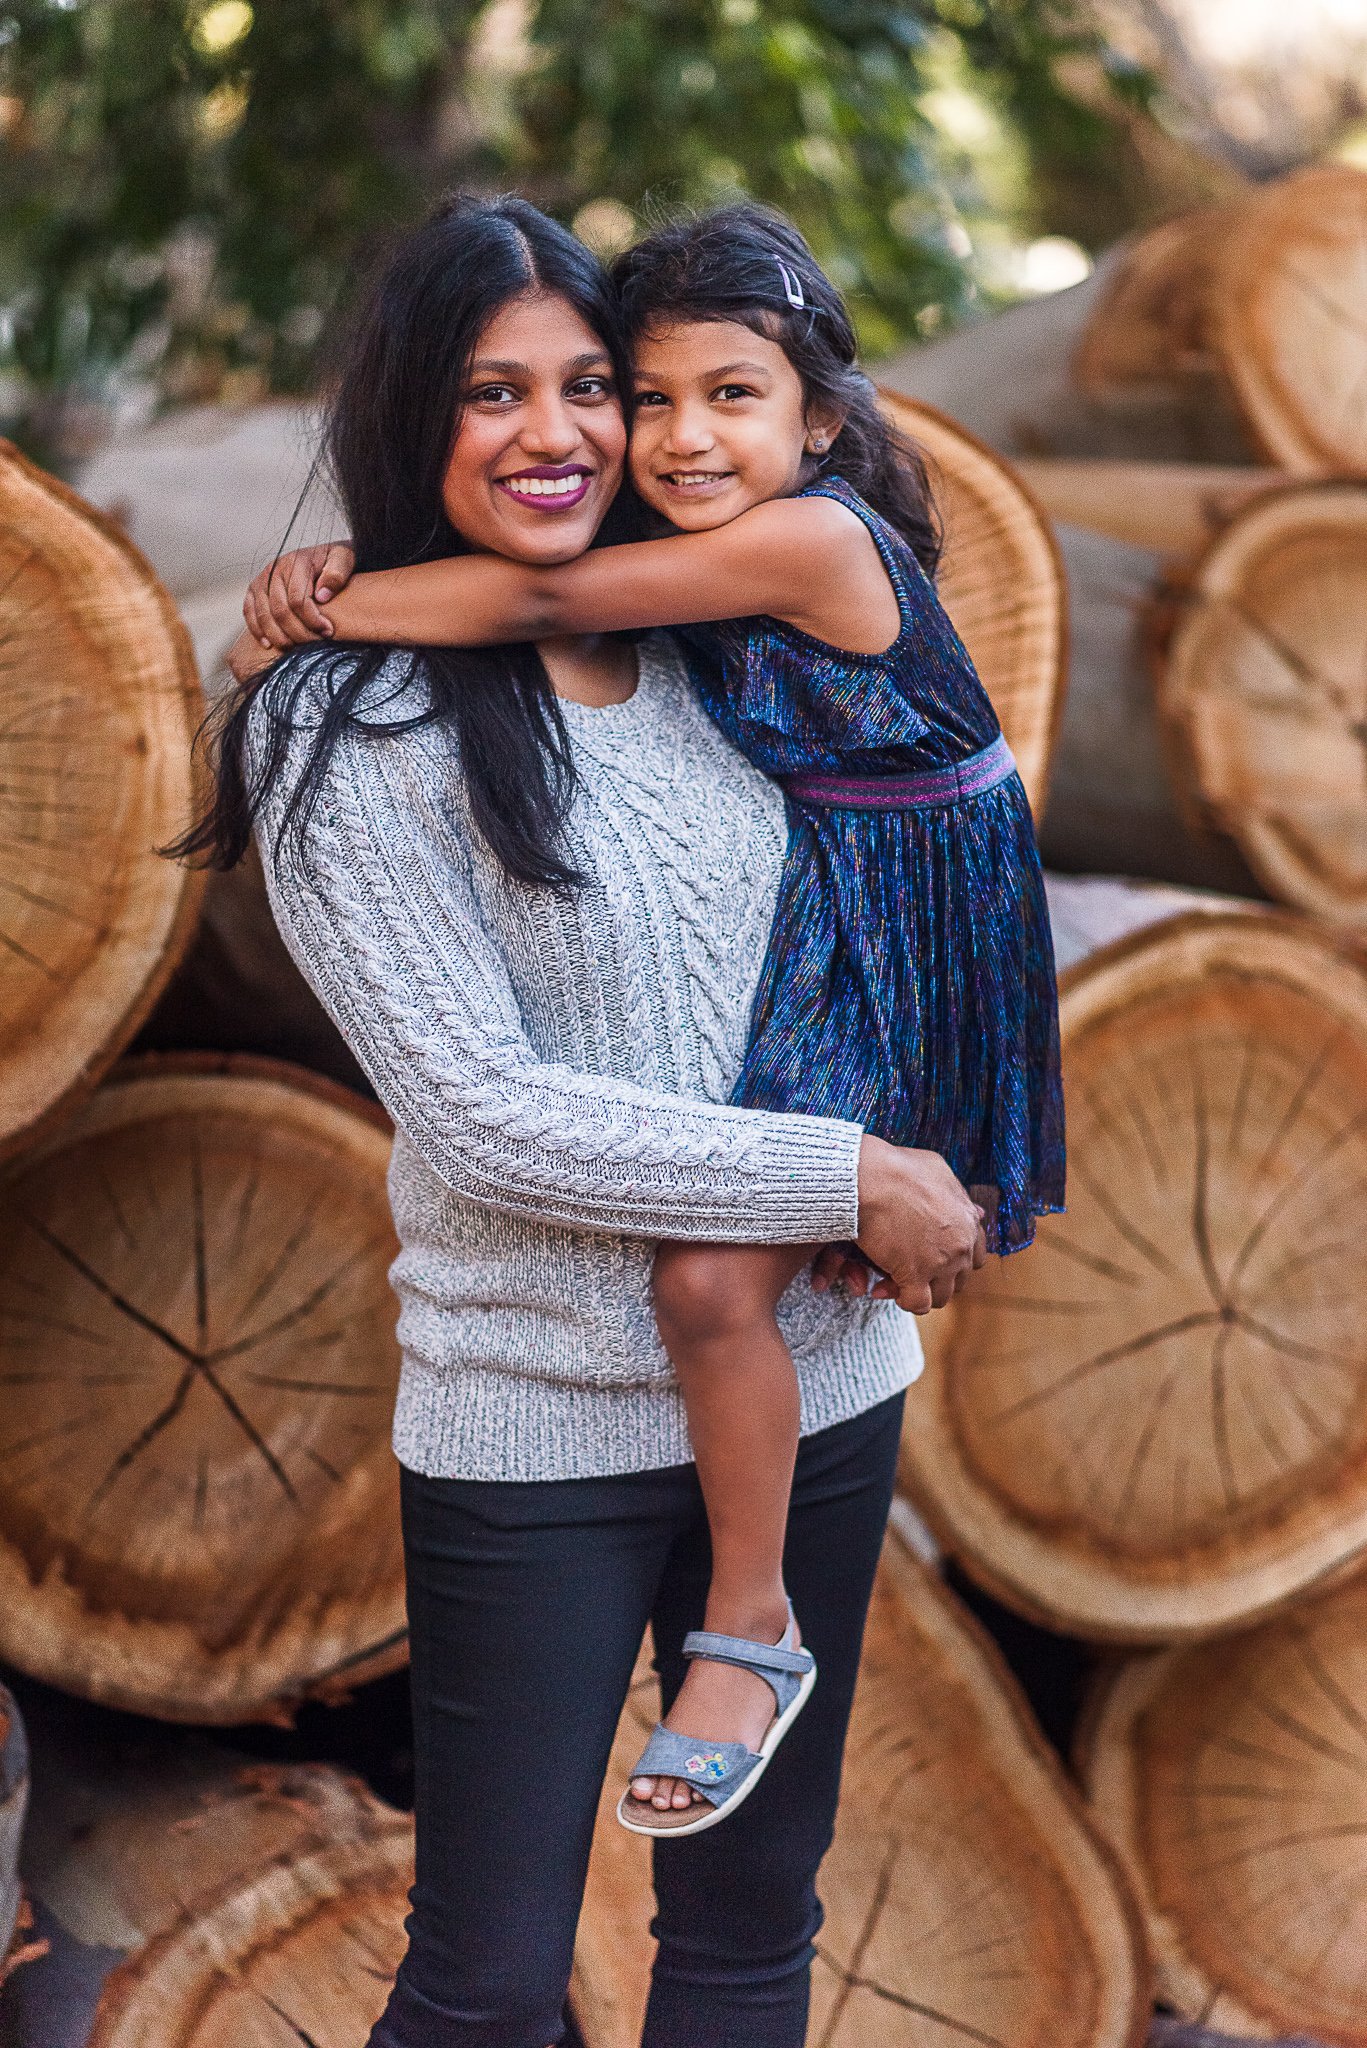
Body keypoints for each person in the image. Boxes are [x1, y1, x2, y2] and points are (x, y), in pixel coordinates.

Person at [204, 192, 985, 2048]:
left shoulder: (723, 637)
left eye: (588, 389)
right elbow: (483, 1118)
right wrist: (846, 1172)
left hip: (820, 1379)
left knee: (743, 1935)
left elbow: (872, 894)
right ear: (415, 418)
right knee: (481, 1988)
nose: (558, 435)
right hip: (535, 1418)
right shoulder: (353, 720)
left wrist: (892, 1137)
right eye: (494, 393)